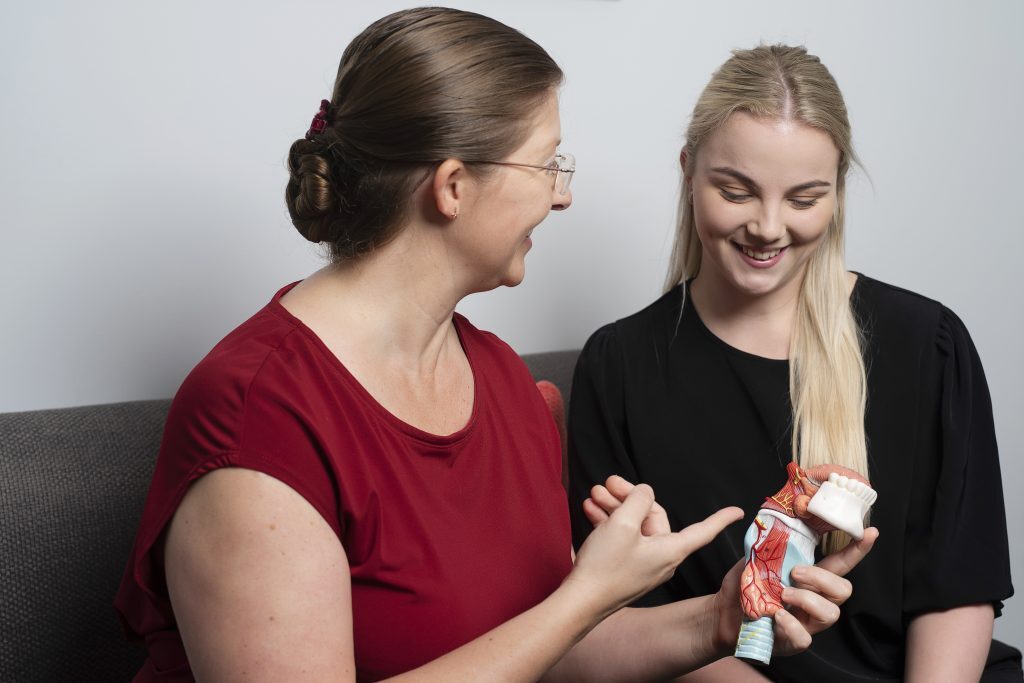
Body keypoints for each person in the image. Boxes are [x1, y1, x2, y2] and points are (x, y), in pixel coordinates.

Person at [113, 12, 873, 682]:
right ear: (451, 187)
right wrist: (584, 594)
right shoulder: (259, 414)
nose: (562, 192)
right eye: (547, 163)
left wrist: (719, 613)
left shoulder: (502, 382)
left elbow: (550, 651)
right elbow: (554, 626)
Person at [568, 44, 1021, 682]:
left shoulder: (929, 341)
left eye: (805, 199)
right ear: (687, 172)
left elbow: (956, 588)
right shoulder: (619, 366)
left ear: (837, 192)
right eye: (736, 191)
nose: (768, 227)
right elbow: (621, 625)